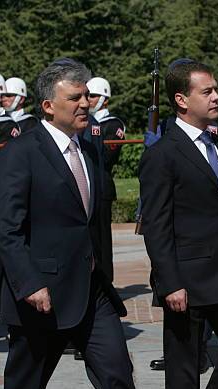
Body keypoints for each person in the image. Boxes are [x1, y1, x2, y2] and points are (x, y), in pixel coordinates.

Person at [0, 58, 139, 389]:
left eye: (86, 96)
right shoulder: (22, 152)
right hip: (41, 297)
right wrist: (29, 283)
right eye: (75, 97)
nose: (85, 103)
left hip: (91, 292)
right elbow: (5, 227)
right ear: (48, 106)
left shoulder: (89, 148)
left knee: (117, 375)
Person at [139, 61, 218, 389]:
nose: (217, 96)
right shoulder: (162, 154)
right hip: (184, 280)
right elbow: (156, 225)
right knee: (183, 369)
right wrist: (169, 281)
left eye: (216, 89)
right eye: (207, 91)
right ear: (181, 99)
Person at [86, 76, 125, 282]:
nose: (88, 100)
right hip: (86, 185)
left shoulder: (113, 124)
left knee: (102, 240)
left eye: (93, 96)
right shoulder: (84, 121)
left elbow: (108, 156)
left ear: (105, 99)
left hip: (101, 186)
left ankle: (105, 283)